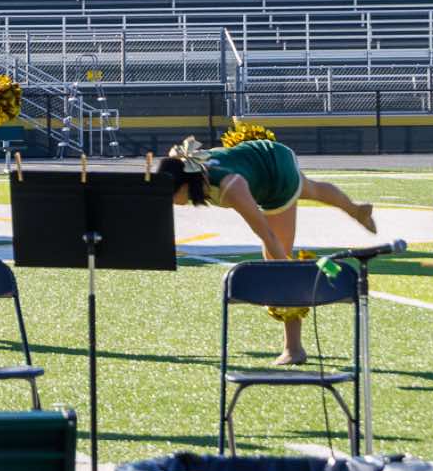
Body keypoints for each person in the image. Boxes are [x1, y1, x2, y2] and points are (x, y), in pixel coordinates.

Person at [156, 137, 378, 366]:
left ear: (186, 185)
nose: (169, 201)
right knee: (310, 188)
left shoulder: (231, 187)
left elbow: (267, 235)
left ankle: (294, 348)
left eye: (171, 195)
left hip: (276, 180)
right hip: (271, 154)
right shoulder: (186, 168)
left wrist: (287, 272)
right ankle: (356, 210)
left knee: (275, 263)